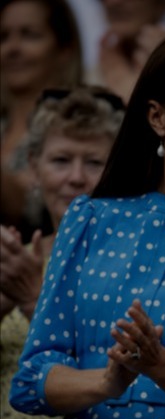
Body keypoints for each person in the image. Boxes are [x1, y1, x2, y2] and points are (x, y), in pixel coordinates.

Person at [9, 29, 165, 419]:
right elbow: (31, 382)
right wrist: (106, 382)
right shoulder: (91, 219)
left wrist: (158, 364)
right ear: (157, 117)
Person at [0, 85, 124, 419]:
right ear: (34, 168)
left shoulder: (137, 264)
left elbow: (119, 371)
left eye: (94, 162)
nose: (75, 177)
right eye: (60, 160)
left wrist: (29, 300)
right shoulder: (10, 261)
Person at [0, 0, 83, 243]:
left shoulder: (80, 126)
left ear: (64, 50)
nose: (12, 48)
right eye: (3, 36)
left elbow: (31, 208)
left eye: (29, 35)